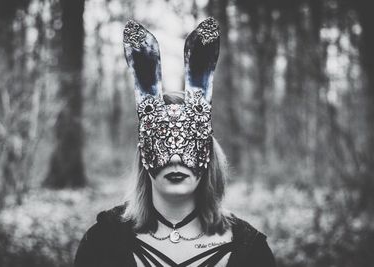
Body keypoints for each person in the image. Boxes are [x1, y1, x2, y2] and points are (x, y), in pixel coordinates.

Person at [74, 17, 276, 267]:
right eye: (162, 141)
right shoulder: (102, 243)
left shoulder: (250, 252)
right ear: (143, 152)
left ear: (208, 152)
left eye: (188, 142)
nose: (176, 158)